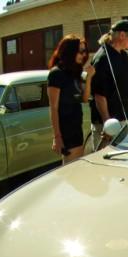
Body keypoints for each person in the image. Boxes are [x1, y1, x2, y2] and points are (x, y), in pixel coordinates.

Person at [89, 19, 128, 149]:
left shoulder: (123, 54)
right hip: (110, 124)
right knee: (104, 162)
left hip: (124, 118)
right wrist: (108, 125)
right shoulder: (103, 58)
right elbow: (99, 95)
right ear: (122, 35)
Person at [47, 34, 94, 164]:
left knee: (76, 167)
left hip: (76, 127)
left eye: (85, 51)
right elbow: (53, 108)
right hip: (66, 130)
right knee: (71, 168)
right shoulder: (56, 73)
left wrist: (89, 78)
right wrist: (57, 137)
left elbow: (84, 99)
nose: (83, 55)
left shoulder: (74, 72)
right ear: (70, 51)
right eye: (80, 51)